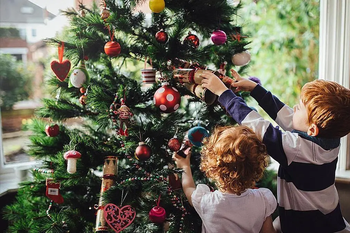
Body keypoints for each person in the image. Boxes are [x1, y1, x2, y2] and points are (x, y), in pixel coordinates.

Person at [200, 69, 350, 233]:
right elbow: (287, 116)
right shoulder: (330, 139)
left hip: (307, 224)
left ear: (312, 130)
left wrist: (223, 93)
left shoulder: (297, 150)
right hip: (328, 216)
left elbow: (258, 126)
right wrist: (255, 90)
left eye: (299, 108)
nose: (294, 108)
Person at [173, 125, 277, 233]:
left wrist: (185, 166)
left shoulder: (207, 202)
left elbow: (189, 188)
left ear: (213, 168)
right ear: (256, 168)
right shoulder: (263, 200)